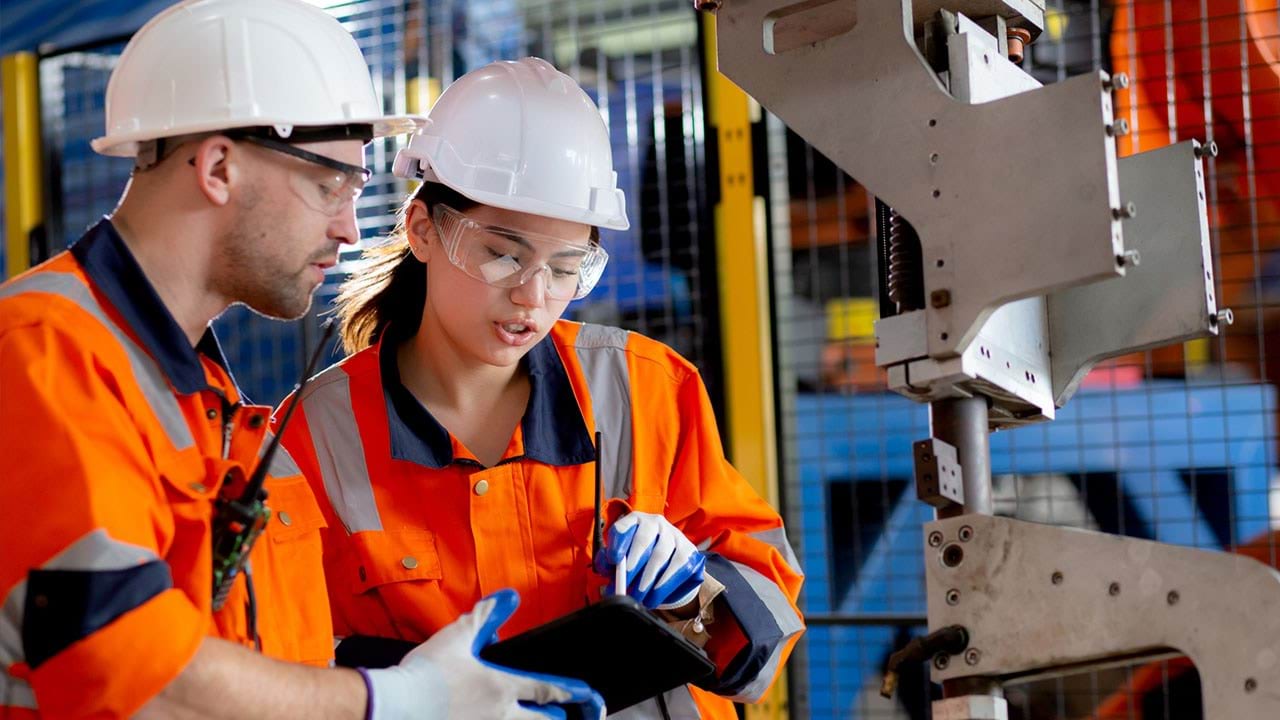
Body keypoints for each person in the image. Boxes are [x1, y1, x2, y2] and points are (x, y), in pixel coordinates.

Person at [0, 3, 603, 719]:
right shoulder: (45, 349)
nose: (350, 227)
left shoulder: (203, 402)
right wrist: (395, 699)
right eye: (329, 186)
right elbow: (121, 665)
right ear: (219, 166)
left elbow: (256, 653)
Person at [276, 57, 806, 720]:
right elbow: (286, 659)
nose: (533, 297)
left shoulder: (647, 388)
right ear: (421, 231)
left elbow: (768, 612)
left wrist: (693, 592)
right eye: (502, 253)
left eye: (565, 268)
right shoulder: (312, 438)